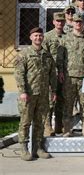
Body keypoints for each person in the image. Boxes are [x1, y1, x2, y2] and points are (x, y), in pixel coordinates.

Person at [15, 27, 57, 161]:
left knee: (40, 122)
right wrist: (22, 91)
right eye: (35, 36)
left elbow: (52, 75)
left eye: (40, 36)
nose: (38, 38)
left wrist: (54, 91)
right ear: (31, 38)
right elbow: (19, 74)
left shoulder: (47, 55)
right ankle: (23, 148)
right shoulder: (24, 54)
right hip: (29, 93)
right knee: (25, 121)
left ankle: (37, 147)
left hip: (43, 94)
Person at [62, 14, 84, 137]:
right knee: (68, 104)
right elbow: (60, 58)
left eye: (80, 22)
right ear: (72, 23)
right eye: (76, 22)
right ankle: (67, 129)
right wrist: (61, 72)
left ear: (83, 24)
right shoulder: (65, 39)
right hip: (69, 76)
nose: (78, 24)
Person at [42, 12, 66, 136]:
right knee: (50, 100)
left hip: (64, 73)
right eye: (57, 21)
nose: (60, 23)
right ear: (53, 22)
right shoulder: (47, 37)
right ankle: (47, 125)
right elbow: (44, 56)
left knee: (61, 100)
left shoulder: (67, 36)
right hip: (52, 73)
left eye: (62, 21)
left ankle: (58, 125)